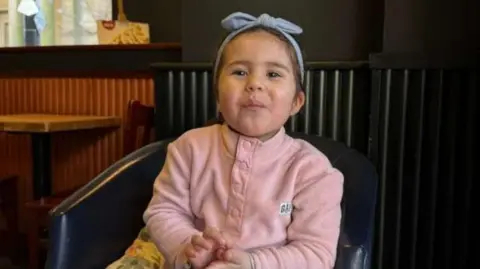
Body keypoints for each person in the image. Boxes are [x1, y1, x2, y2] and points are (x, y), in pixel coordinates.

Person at [143, 11, 344, 269]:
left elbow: (316, 254)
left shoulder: (314, 170)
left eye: (273, 74)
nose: (255, 84)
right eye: (239, 72)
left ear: (296, 102)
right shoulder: (189, 148)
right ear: (217, 97)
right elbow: (163, 211)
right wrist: (187, 246)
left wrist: (253, 263)